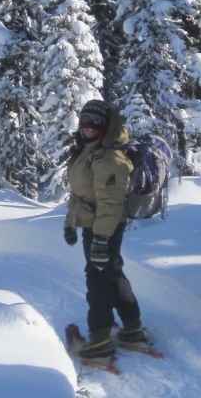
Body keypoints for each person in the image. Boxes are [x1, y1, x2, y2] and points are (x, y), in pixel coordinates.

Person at [63, 99, 145, 359]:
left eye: (95, 122)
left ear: (106, 125)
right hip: (93, 222)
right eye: (85, 120)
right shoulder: (88, 150)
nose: (88, 127)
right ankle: (132, 326)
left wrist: (100, 238)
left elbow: (111, 203)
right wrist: (70, 224)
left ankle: (100, 338)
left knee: (97, 277)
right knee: (110, 271)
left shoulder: (108, 157)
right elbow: (79, 193)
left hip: (105, 225)